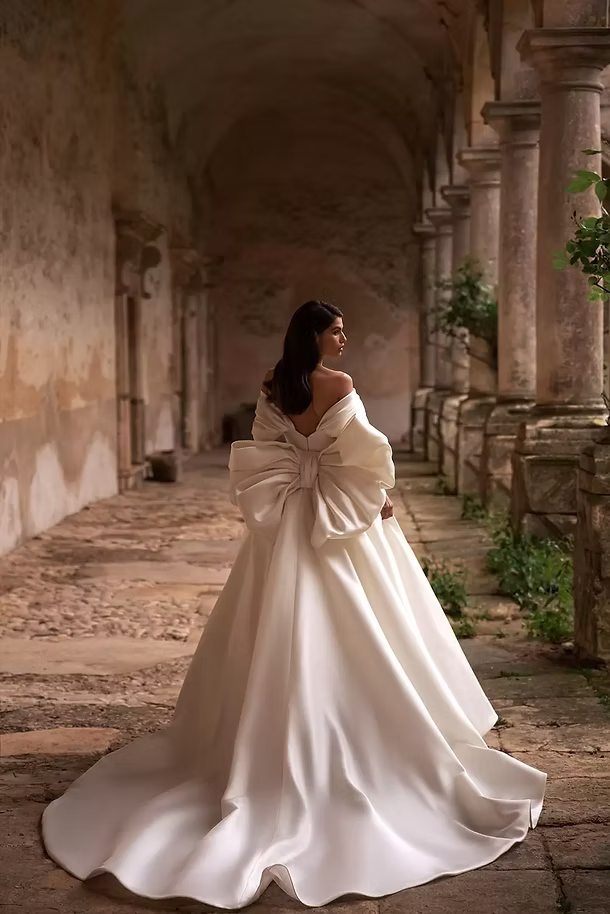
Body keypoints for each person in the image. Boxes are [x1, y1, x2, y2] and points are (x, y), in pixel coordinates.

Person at [42, 300, 546, 910]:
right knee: (368, 627)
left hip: (284, 525)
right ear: (314, 334)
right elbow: (364, 453)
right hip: (333, 520)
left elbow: (268, 447)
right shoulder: (340, 384)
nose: (344, 338)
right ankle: (362, 746)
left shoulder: (272, 382)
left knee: (267, 626)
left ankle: (252, 752)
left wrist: (318, 481)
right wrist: (373, 500)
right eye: (336, 329)